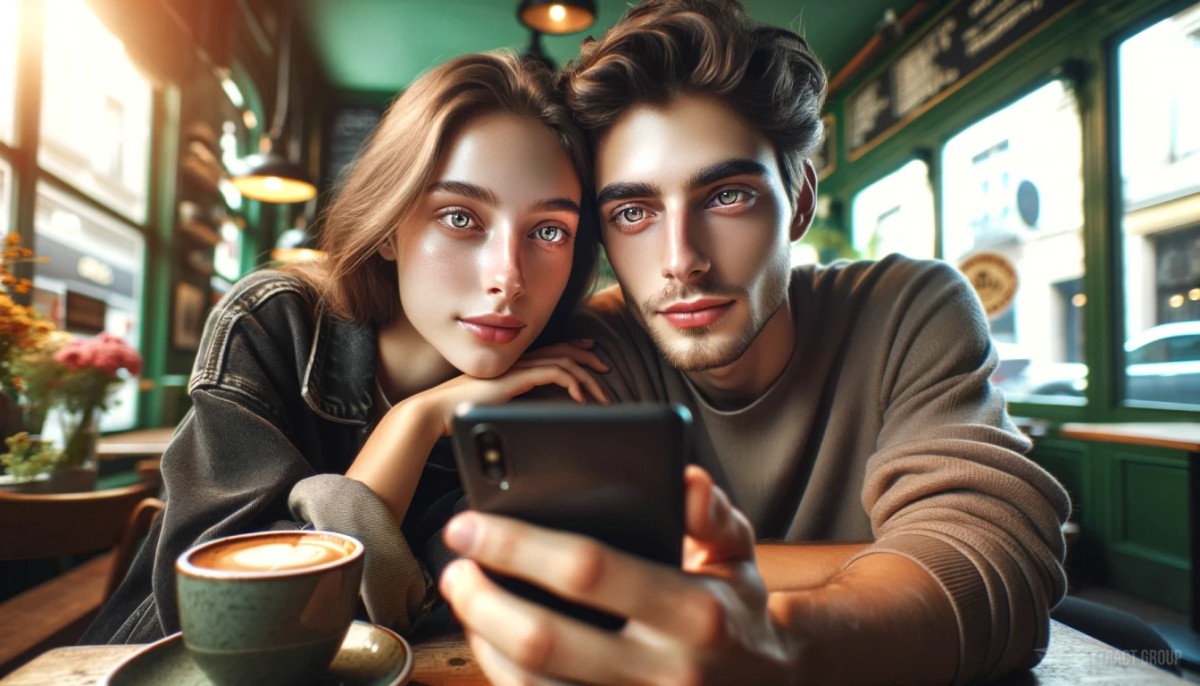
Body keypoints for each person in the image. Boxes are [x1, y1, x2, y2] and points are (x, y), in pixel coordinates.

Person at [436, 1, 1072, 683]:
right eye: (633, 212)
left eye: (727, 196)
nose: (682, 259)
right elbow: (545, 568)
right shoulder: (589, 347)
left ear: (798, 200)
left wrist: (781, 647)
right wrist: (879, 558)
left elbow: (998, 562)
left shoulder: (908, 308)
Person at [82, 51, 608, 644]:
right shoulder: (276, 321)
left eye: (548, 231)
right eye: (461, 217)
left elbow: (455, 618)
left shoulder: (555, 386)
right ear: (388, 228)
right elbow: (234, 624)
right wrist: (414, 421)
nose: (507, 277)